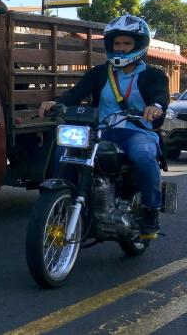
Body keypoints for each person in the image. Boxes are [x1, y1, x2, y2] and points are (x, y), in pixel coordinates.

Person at [38, 15, 170, 239]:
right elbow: (76, 92)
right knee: (65, 150)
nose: (120, 48)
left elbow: (161, 95)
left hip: (137, 131)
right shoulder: (100, 72)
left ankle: (151, 210)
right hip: (102, 131)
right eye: (116, 43)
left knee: (142, 155)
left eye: (127, 43)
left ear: (139, 45)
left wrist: (156, 107)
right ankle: (63, 200)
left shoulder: (154, 74)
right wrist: (58, 101)